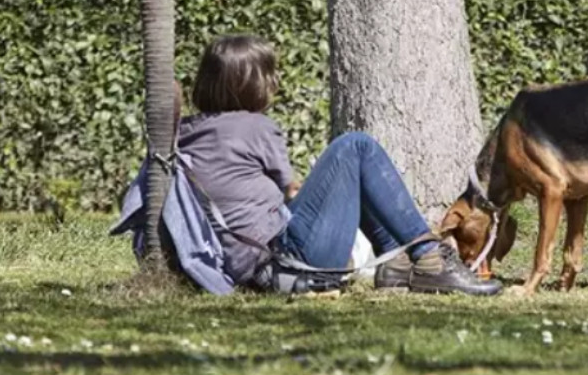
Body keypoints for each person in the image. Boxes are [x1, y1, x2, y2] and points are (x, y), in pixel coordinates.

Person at [177, 34, 502, 296]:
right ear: (255, 84)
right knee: (356, 146)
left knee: (348, 169)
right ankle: (428, 256)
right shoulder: (256, 128)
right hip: (285, 262)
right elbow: (288, 192)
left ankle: (398, 263)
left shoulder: (186, 133)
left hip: (238, 265)